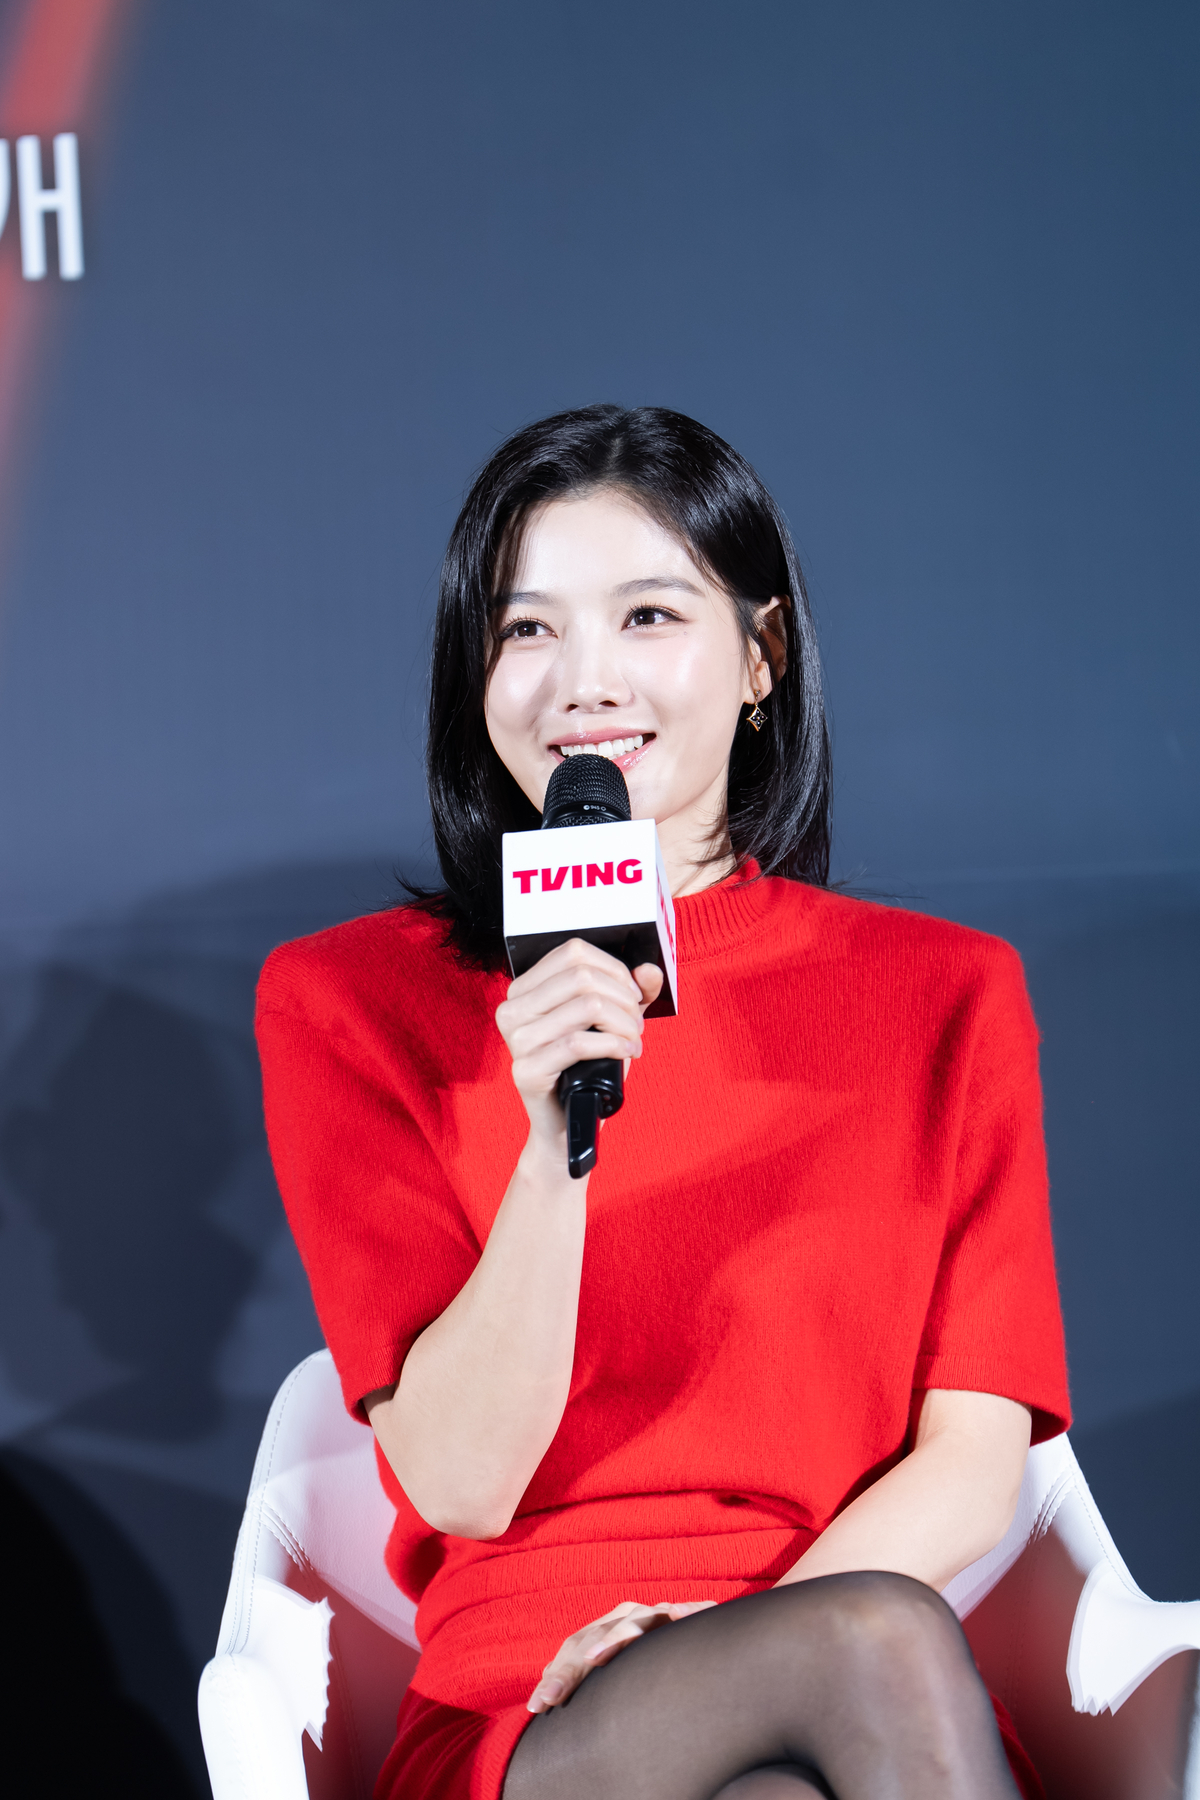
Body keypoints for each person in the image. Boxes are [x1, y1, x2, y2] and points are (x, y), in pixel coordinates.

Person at [256, 405, 1071, 1800]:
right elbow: (461, 1480)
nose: (584, 682)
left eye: (647, 616)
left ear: (762, 656)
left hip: (862, 1665)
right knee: (868, 1660)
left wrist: (740, 1643)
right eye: (526, 630)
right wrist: (549, 1143)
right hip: (539, 1709)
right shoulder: (349, 1000)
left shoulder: (947, 992)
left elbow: (975, 1462)